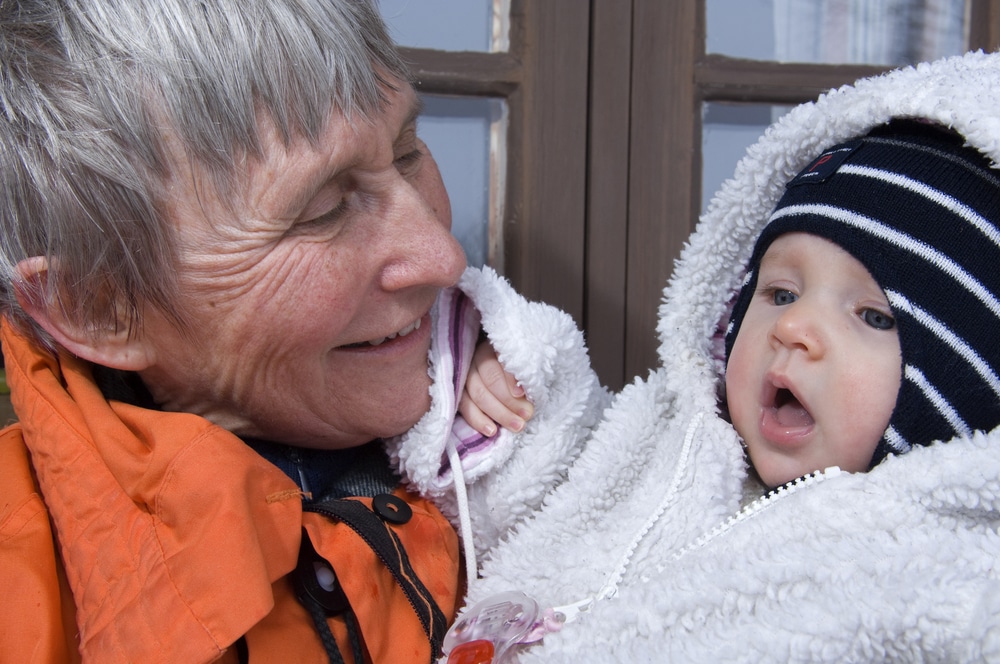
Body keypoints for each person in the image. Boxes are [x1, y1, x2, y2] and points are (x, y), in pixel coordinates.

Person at [0, 1, 608, 662]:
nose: (444, 258)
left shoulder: (503, 425)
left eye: (407, 154)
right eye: (321, 211)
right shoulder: (24, 586)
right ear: (101, 307)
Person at [457, 50, 1000, 662]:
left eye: (873, 316)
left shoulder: (939, 580)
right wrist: (490, 382)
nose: (793, 327)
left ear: (966, 384)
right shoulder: (659, 441)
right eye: (780, 293)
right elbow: (540, 466)